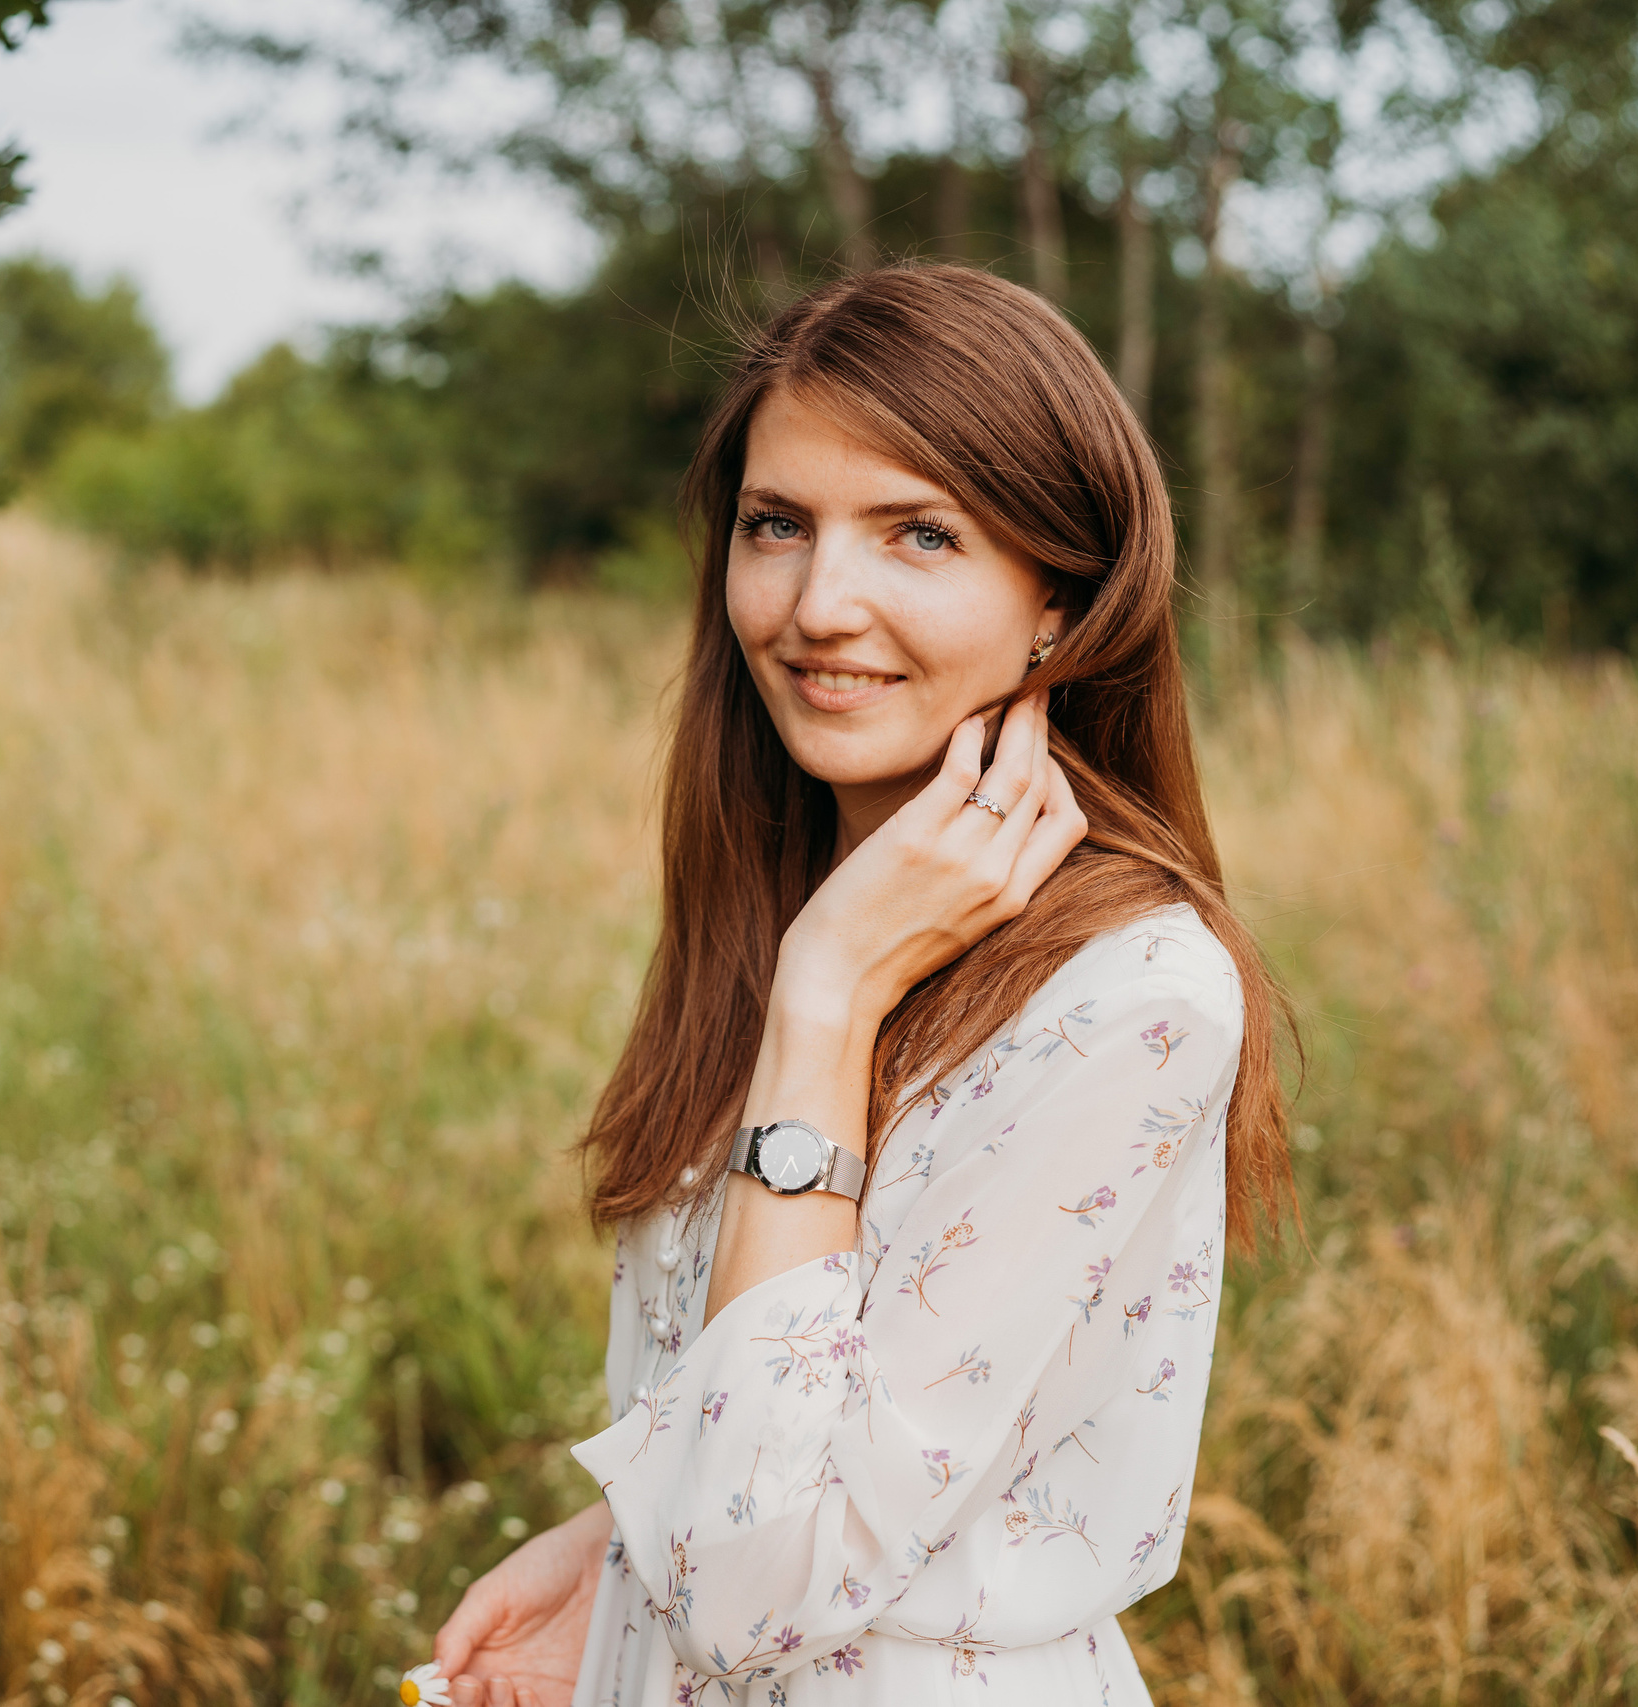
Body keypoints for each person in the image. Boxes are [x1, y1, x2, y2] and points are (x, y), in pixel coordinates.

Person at [426, 264, 1297, 1706]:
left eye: (919, 534)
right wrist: (611, 1554)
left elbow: (767, 1574)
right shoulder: (787, 902)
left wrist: (827, 994)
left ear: (1060, 604)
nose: (823, 603)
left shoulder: (1132, 996)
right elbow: (840, 1422)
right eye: (779, 526)